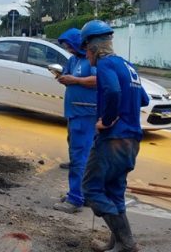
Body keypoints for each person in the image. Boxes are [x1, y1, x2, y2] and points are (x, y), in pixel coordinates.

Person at [80, 20, 149, 252]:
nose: (87, 58)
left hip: (113, 139)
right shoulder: (127, 66)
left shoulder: (106, 64)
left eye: (86, 52)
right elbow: (144, 99)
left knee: (91, 188)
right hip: (132, 139)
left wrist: (107, 120)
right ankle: (117, 243)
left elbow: (112, 90)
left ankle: (127, 243)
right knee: (114, 190)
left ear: (93, 49)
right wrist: (125, 111)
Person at [53, 28, 97, 214]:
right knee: (78, 155)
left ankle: (75, 199)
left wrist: (76, 80)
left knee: (80, 157)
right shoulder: (74, 60)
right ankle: (82, 194)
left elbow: (98, 80)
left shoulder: (92, 60)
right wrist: (62, 77)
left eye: (69, 45)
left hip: (86, 114)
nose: (68, 49)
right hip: (74, 114)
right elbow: (68, 75)